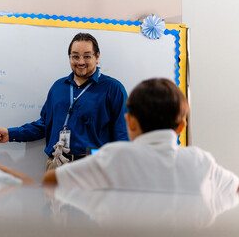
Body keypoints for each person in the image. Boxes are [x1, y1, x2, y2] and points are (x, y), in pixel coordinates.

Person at [42, 78, 239, 195]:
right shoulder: (201, 162)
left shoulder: (112, 158)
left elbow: (51, 180)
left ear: (130, 122)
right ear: (181, 127)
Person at [0, 33, 128, 171]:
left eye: (87, 56)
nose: (81, 62)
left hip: (93, 168)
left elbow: (122, 134)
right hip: (56, 165)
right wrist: (11, 134)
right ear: (69, 57)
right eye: (75, 56)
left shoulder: (113, 89)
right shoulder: (58, 87)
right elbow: (44, 125)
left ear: (97, 56)